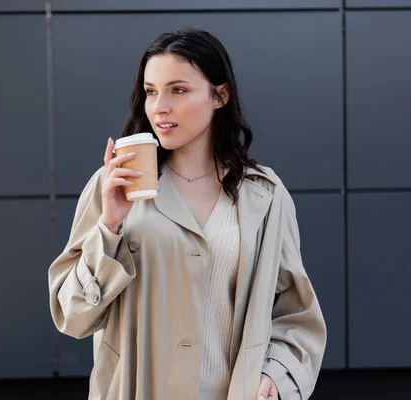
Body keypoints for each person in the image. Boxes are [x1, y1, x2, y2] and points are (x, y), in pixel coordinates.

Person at [48, 28, 326, 400]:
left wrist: (275, 378)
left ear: (220, 95)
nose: (160, 107)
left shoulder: (264, 195)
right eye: (150, 92)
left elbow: (296, 315)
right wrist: (109, 226)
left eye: (178, 90)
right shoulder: (114, 185)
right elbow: (74, 315)